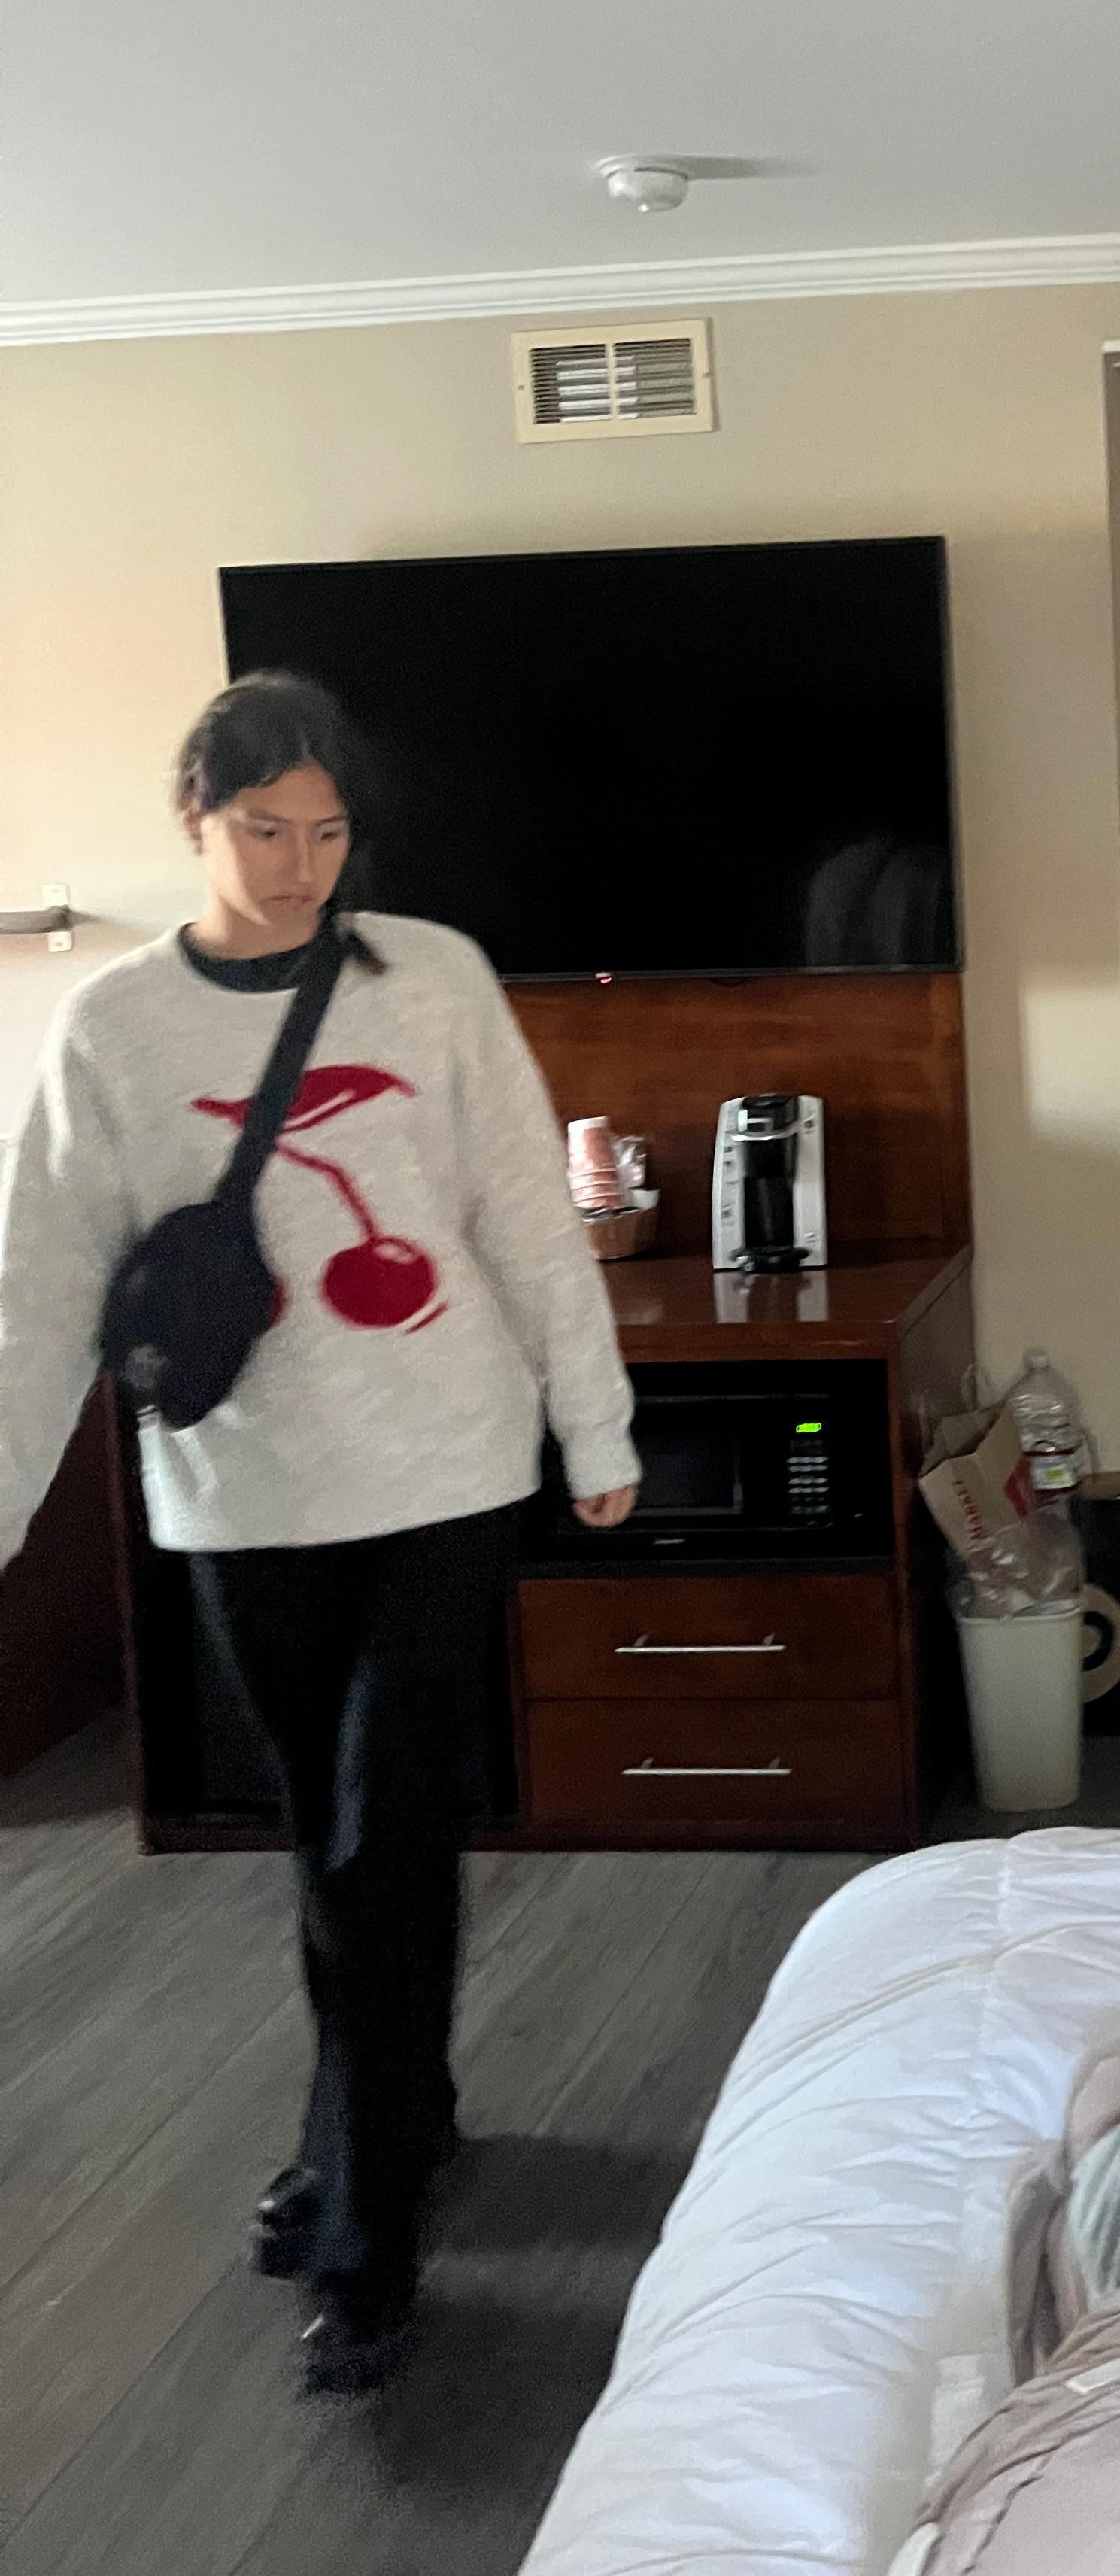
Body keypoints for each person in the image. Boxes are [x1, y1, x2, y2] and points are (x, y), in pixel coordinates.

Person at [0, 673, 641, 2392]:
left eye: (329, 831)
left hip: (443, 1474)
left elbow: (524, 1211)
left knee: (384, 1830)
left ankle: (368, 2230)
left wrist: (593, 1423)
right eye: (263, 829)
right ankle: (391, 2113)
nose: (300, 867)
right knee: (325, 1831)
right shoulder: (116, 1027)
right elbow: (41, 1281)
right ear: (194, 821)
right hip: (246, 1496)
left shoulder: (430, 978)